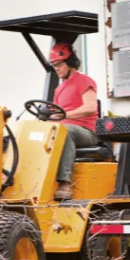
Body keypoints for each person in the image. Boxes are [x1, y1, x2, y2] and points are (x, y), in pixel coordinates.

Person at [49, 43, 99, 200]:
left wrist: (65, 115)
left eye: (59, 64)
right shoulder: (59, 89)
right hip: (64, 130)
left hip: (87, 132)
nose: (56, 68)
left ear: (70, 63)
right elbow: (55, 115)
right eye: (54, 65)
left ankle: (64, 183)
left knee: (66, 131)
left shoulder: (84, 81)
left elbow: (91, 107)